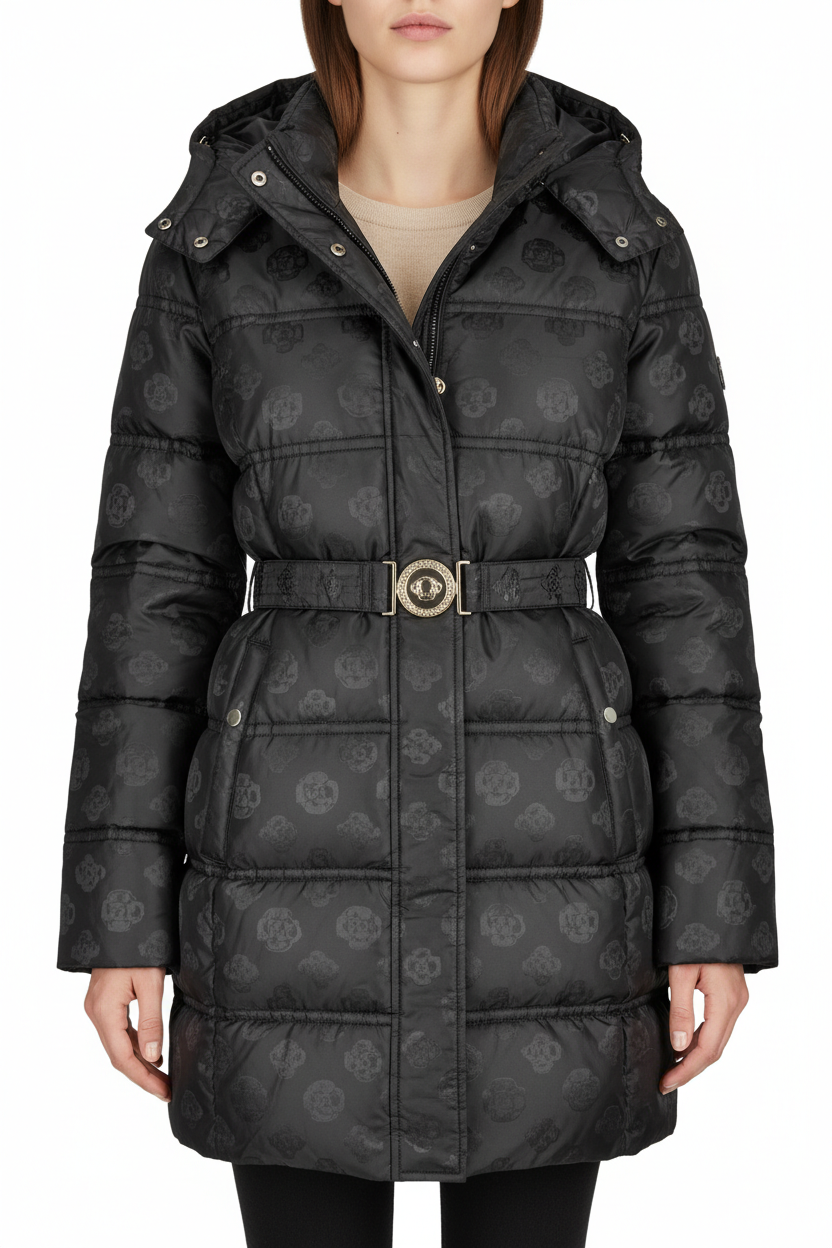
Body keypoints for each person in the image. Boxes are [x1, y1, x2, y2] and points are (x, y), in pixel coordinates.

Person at [56, 2, 779, 1245]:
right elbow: (153, 590)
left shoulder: (618, 238)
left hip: (550, 857)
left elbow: (684, 588)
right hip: (283, 855)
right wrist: (120, 918)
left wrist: (713, 912)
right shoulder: (220, 237)